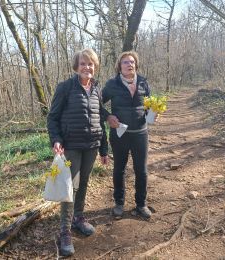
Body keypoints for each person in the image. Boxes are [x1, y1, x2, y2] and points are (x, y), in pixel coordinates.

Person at [47, 48, 108, 256]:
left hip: (91, 145)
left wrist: (104, 148)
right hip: (71, 146)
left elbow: (100, 118)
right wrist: (56, 140)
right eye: (83, 63)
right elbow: (52, 118)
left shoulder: (97, 88)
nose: (87, 67)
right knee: (68, 187)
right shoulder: (65, 87)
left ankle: (78, 218)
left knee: (83, 183)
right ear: (77, 66)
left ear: (95, 66)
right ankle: (64, 231)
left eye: (90, 64)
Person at [102, 51, 153, 219]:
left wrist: (153, 113)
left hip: (140, 133)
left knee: (142, 171)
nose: (129, 64)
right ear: (119, 66)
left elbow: (148, 106)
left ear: (136, 65)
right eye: (125, 62)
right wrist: (108, 116)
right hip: (120, 134)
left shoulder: (144, 82)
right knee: (119, 170)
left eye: (132, 62)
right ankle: (119, 203)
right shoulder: (112, 84)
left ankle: (141, 204)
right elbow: (96, 103)